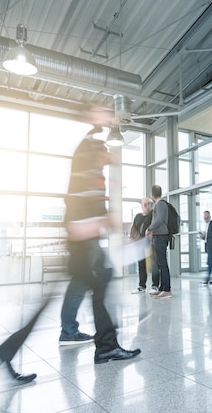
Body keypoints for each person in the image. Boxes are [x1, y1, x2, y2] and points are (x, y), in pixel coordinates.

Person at [59, 131, 141, 363]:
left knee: (94, 282)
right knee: (96, 283)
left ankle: (92, 337)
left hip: (86, 242)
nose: (109, 154)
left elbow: (89, 203)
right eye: (105, 150)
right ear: (96, 153)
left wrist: (104, 219)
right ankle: (100, 341)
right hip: (84, 242)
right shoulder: (88, 170)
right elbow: (77, 204)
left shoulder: (95, 174)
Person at [146, 184, 173, 298]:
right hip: (158, 236)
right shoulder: (159, 204)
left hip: (161, 236)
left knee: (162, 263)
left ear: (152, 194)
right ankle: (162, 288)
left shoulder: (161, 204)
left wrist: (149, 228)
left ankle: (167, 289)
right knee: (160, 263)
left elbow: (159, 220)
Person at [130, 197, 159, 293]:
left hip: (151, 243)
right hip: (140, 244)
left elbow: (156, 225)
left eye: (149, 204)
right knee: (141, 265)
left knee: (154, 264)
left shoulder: (153, 214)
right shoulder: (138, 216)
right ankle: (142, 286)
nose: (147, 206)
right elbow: (134, 227)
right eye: (145, 204)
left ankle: (155, 286)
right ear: (142, 206)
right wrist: (132, 237)